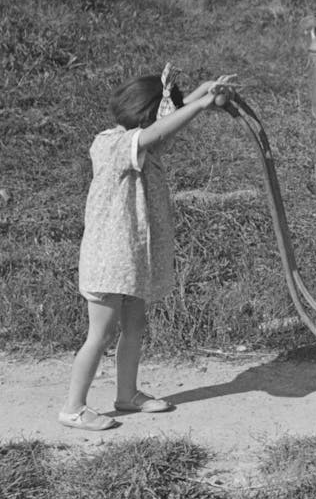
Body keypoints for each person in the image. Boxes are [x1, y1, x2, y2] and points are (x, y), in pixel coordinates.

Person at [59, 64, 236, 431]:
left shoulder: (143, 142)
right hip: (109, 260)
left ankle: (127, 395)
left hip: (133, 258)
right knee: (100, 335)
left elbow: (164, 125)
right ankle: (73, 408)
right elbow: (157, 130)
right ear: (148, 115)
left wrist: (203, 91)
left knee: (135, 326)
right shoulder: (112, 144)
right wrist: (201, 104)